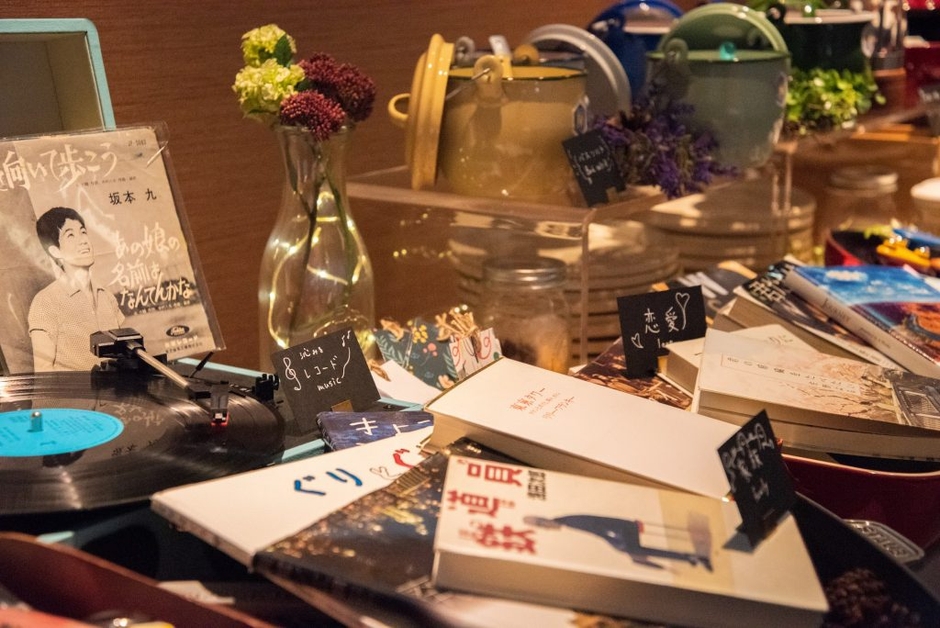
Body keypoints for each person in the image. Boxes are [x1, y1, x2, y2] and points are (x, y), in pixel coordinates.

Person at [27, 207, 125, 371]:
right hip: (76, 389)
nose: (83, 241)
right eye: (71, 235)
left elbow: (124, 353)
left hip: (116, 387)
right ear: (55, 251)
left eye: (83, 232)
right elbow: (44, 373)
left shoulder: (106, 295)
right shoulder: (45, 302)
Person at [524, 514, 713, 572]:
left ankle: (692, 557)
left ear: (545, 521)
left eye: (544, 525)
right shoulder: (568, 522)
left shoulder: (571, 521)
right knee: (635, 553)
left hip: (623, 528)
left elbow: (601, 529)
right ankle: (690, 557)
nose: (548, 529)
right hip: (620, 531)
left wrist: (616, 541)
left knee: (633, 551)